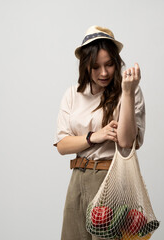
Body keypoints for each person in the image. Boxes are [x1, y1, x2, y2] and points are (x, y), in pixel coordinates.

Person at [53, 25, 146, 240]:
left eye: (109, 65)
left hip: (111, 180)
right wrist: (94, 136)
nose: (103, 73)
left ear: (117, 62)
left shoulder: (129, 90)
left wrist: (128, 93)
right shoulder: (72, 95)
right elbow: (62, 145)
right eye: (95, 67)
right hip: (78, 179)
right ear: (85, 66)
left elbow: (125, 141)